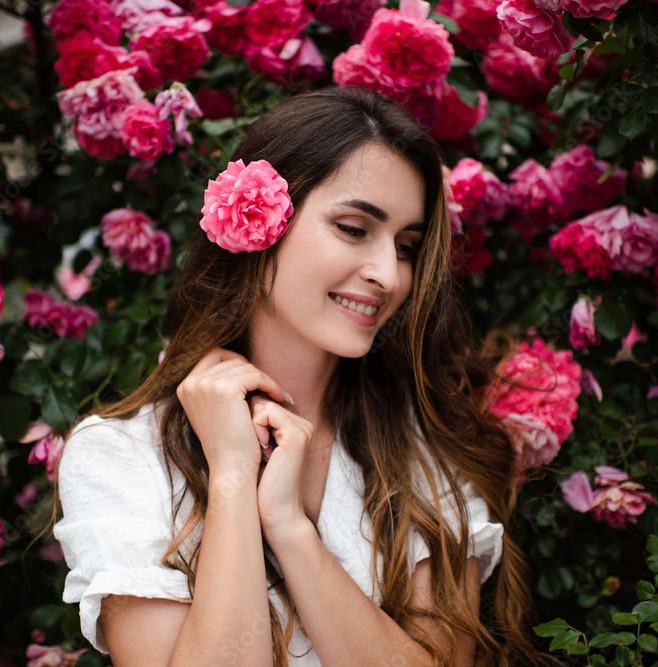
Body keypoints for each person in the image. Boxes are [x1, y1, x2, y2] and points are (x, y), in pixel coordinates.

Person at [51, 85, 548, 666]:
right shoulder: (122, 456)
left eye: (407, 246)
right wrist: (234, 476)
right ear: (260, 225)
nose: (389, 274)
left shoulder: (421, 444)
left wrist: (290, 528)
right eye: (355, 229)